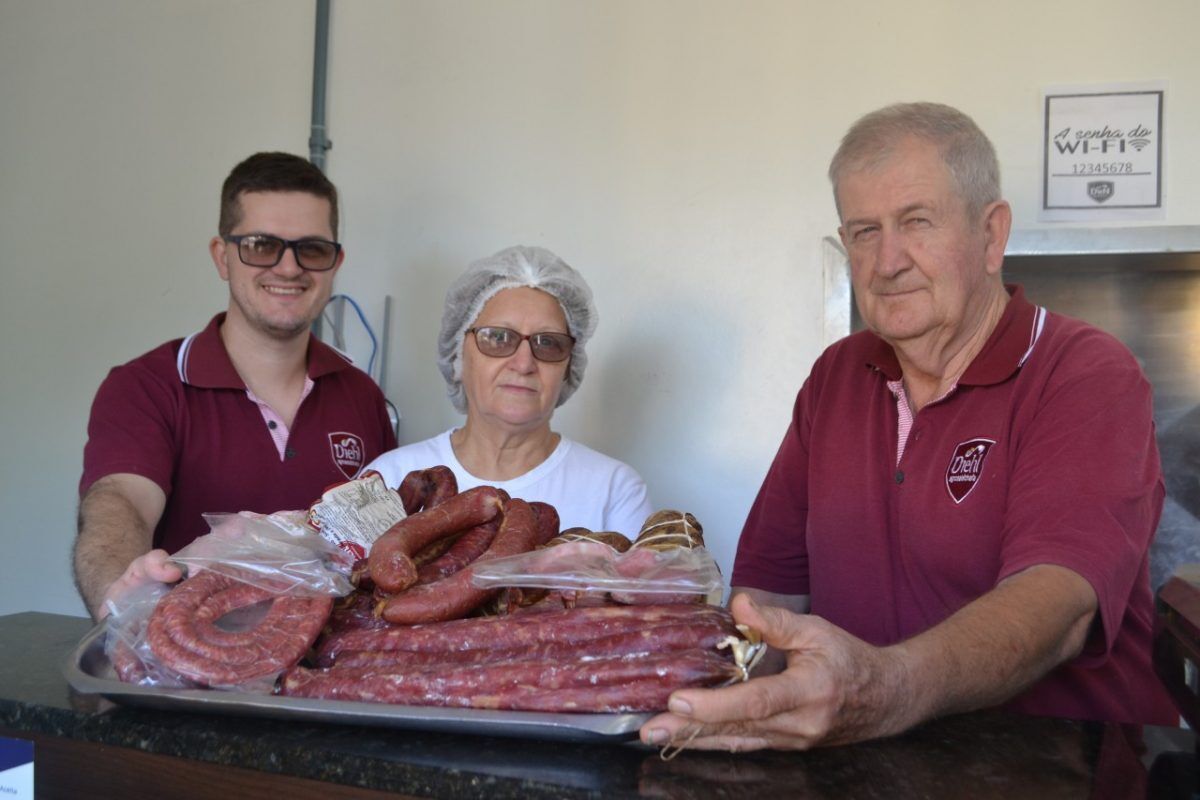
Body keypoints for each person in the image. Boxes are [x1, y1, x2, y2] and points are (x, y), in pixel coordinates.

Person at [641, 102, 1177, 751]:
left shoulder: (1084, 372)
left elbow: (1057, 606)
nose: (887, 260)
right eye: (864, 231)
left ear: (992, 234)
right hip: (860, 762)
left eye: (916, 222)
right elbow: (772, 592)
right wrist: (691, 675)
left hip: (1064, 762)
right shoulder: (837, 375)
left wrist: (884, 687)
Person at [74, 152, 397, 620]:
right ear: (222, 257)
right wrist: (122, 594)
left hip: (329, 677)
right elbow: (121, 502)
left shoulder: (362, 396)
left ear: (335, 262)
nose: (289, 268)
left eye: (312, 249)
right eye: (262, 245)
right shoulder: (145, 388)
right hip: (189, 670)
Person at [366, 245, 653, 535]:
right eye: (498, 338)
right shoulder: (390, 478)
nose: (524, 362)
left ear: (568, 366)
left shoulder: (614, 492)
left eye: (548, 342)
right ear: (459, 355)